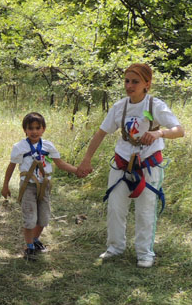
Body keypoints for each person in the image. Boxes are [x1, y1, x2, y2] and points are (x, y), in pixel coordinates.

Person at [76, 63, 184, 268]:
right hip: (122, 163)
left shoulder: (155, 106)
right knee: (116, 207)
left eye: (135, 81)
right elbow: (101, 133)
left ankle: (144, 253)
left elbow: (179, 130)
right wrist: (86, 159)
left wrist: (159, 133)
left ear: (147, 84)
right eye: (127, 81)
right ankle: (115, 247)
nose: (129, 85)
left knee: (145, 209)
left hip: (149, 165)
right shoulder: (119, 107)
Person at [1, 112, 78, 260]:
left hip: (44, 186)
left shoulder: (48, 146)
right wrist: (5, 186)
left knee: (43, 218)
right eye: (30, 128)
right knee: (30, 218)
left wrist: (78, 170)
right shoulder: (20, 147)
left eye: (38, 128)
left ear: (43, 129)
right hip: (28, 187)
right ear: (25, 130)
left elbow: (60, 164)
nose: (34, 131)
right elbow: (11, 167)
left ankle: (35, 240)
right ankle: (28, 246)